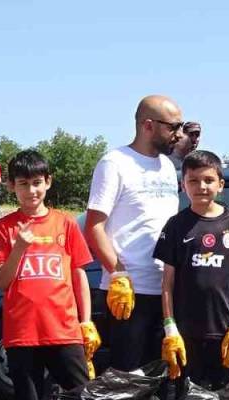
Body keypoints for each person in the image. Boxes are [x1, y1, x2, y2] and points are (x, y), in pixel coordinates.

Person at [0, 150, 98, 400]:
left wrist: (85, 322)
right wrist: (19, 248)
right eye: (23, 184)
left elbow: (79, 275)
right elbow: (2, 281)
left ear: (48, 182)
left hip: (63, 331)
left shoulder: (65, 222)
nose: (32, 190)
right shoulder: (4, 228)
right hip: (22, 334)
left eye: (37, 182)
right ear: (11, 186)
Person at [84, 94, 184, 371]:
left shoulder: (167, 167)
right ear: (148, 125)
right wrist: (117, 273)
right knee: (130, 377)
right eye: (173, 126)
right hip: (129, 293)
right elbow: (94, 226)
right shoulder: (115, 163)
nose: (179, 134)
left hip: (165, 290)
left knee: (163, 375)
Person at [153, 150, 229, 389]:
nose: (201, 186)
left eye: (208, 180)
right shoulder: (176, 225)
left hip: (224, 333)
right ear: (183, 185)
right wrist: (170, 327)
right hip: (186, 335)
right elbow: (167, 283)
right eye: (193, 180)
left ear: (221, 185)